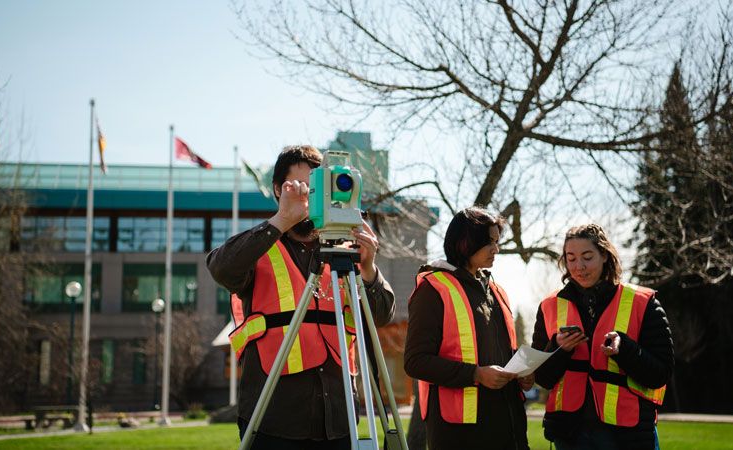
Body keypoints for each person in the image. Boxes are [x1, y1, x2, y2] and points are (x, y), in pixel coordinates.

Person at [206, 145, 395, 449]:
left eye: (318, 189)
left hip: (338, 418)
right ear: (279, 189)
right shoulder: (261, 246)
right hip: (275, 417)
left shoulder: (347, 253)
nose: (311, 199)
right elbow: (221, 268)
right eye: (304, 188)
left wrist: (369, 268)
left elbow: (381, 316)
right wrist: (281, 221)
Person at [531, 224, 674, 450]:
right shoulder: (549, 306)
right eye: (571, 258)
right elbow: (542, 378)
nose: (579, 267)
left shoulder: (642, 302)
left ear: (605, 255)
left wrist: (624, 349)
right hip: (569, 434)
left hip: (628, 435)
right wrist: (559, 349)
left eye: (587, 257)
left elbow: (661, 374)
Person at [404, 206, 532, 450]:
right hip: (460, 433)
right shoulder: (432, 290)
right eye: (489, 242)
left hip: (509, 426)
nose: (496, 249)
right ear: (464, 242)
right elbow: (415, 362)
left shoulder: (496, 290)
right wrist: (476, 374)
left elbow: (504, 352)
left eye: (497, 241)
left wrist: (523, 374)